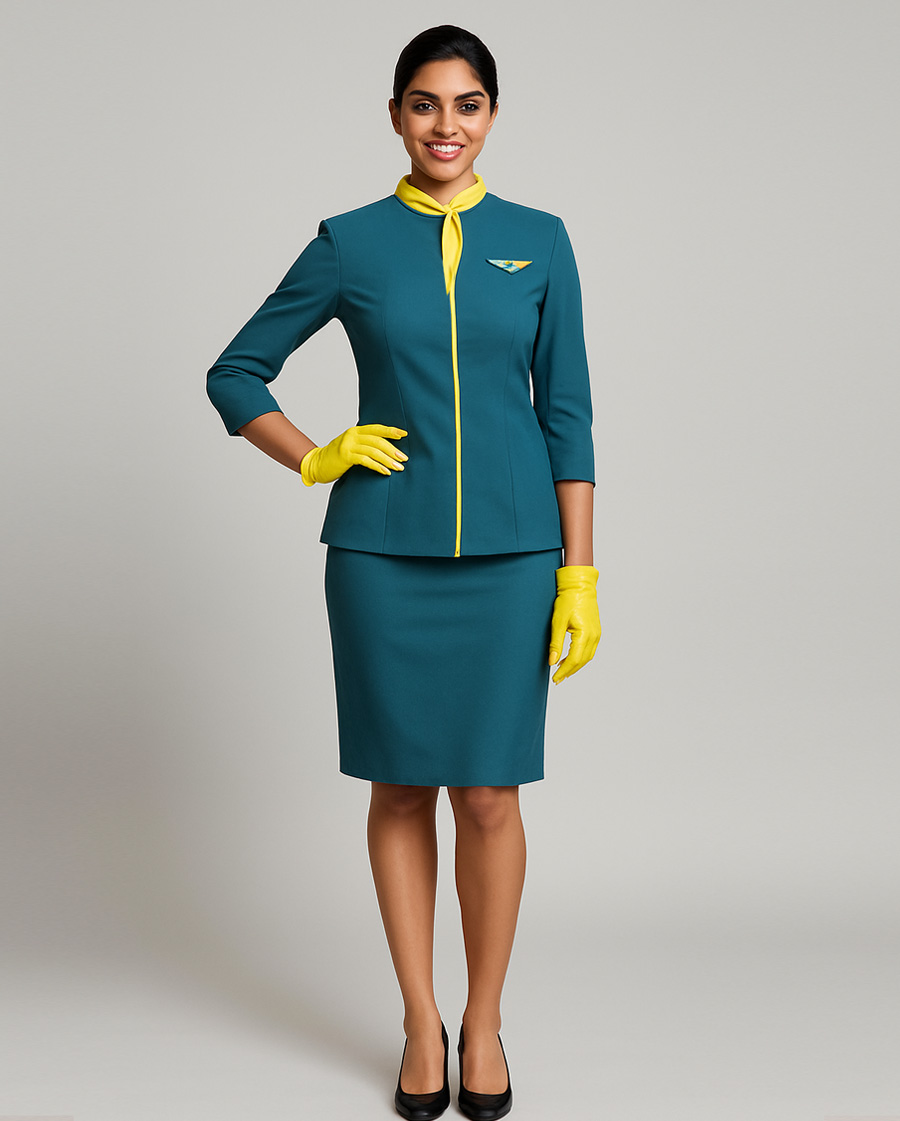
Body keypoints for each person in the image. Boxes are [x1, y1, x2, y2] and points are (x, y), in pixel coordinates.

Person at [206, 24, 601, 1121]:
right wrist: (314, 454)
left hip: (515, 559)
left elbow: (567, 414)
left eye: (467, 104)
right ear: (395, 116)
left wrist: (580, 573)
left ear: (492, 116)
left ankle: (487, 1019)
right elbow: (235, 372)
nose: (446, 125)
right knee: (401, 786)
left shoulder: (540, 240)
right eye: (425, 104)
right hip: (382, 555)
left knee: (489, 793)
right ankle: (421, 1019)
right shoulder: (351, 241)